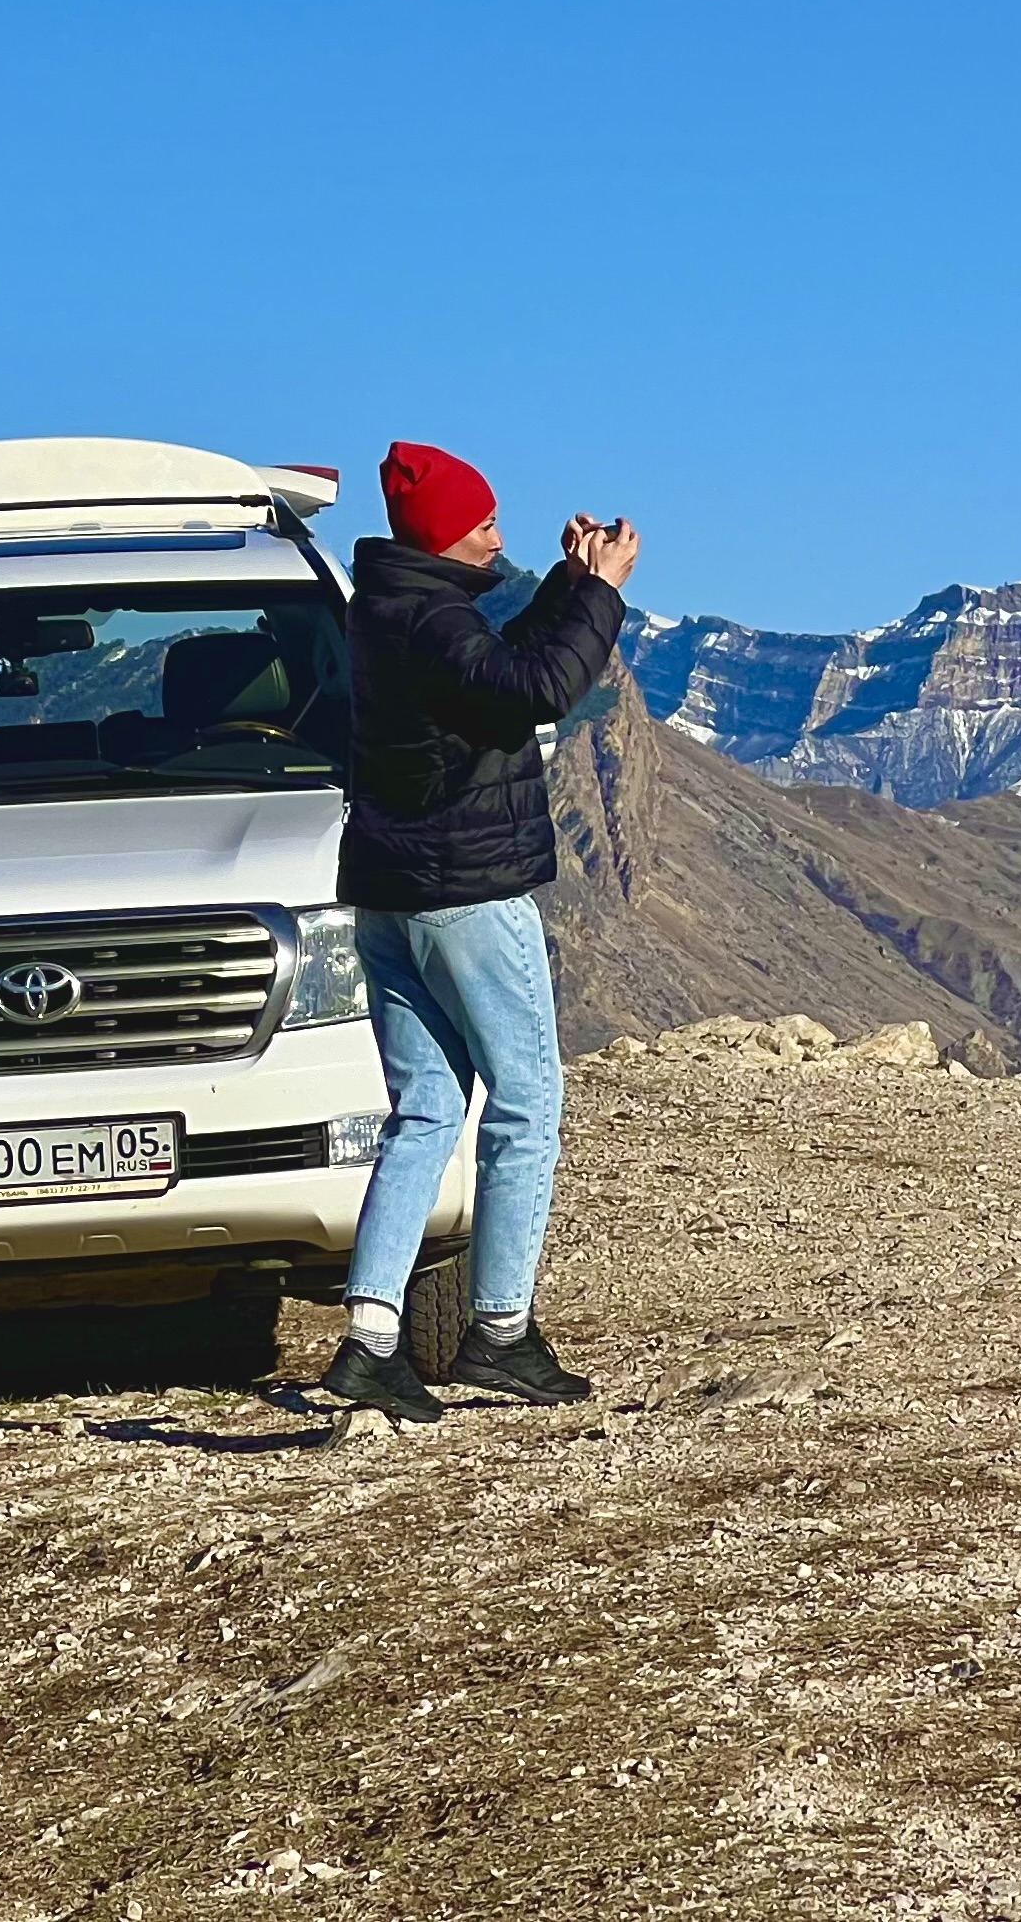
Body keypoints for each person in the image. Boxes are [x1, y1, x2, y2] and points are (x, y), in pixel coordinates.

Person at [318, 440, 640, 1422]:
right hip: (469, 893)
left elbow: (494, 667)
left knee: (424, 1110)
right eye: (486, 522)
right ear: (446, 533)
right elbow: (533, 691)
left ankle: (372, 1338)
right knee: (528, 1102)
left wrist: (563, 584)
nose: (499, 532)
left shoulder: (388, 610)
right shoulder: (431, 622)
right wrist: (603, 595)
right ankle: (499, 1330)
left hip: (391, 900)